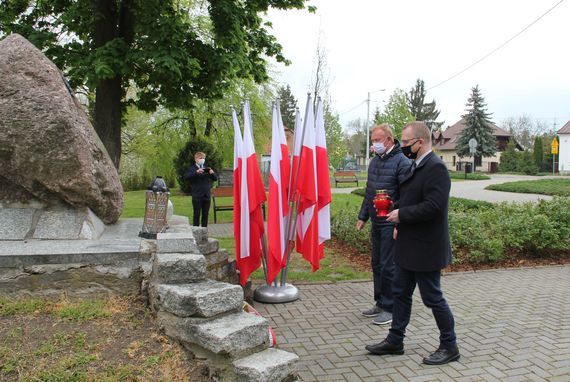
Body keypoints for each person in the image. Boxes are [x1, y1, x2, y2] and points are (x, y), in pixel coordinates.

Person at [365, 121, 460, 365]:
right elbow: (410, 199)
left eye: (406, 143)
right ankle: (395, 341)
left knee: (432, 297)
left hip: (427, 247)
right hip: (408, 243)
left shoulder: (436, 168)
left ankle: (450, 346)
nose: (403, 146)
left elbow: (434, 206)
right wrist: (397, 215)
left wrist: (401, 215)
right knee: (400, 293)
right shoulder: (417, 165)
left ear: (420, 142)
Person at [357, 124, 411, 325]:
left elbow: (407, 195)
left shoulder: (402, 162)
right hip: (376, 222)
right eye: (373, 140)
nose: (374, 144)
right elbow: (369, 191)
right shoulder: (374, 162)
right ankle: (380, 302)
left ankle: (391, 308)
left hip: (391, 222)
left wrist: (400, 222)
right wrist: (363, 216)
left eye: (377, 140)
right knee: (377, 264)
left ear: (389, 140)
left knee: (389, 266)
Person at [184, 152, 217, 227]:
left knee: (205, 214)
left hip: (207, 195)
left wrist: (212, 173)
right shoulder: (192, 168)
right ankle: (196, 231)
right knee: (197, 214)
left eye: (203, 158)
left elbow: (215, 178)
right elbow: (186, 177)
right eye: (200, 158)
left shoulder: (207, 168)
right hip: (197, 195)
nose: (202, 159)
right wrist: (196, 172)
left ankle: (204, 232)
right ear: (196, 159)